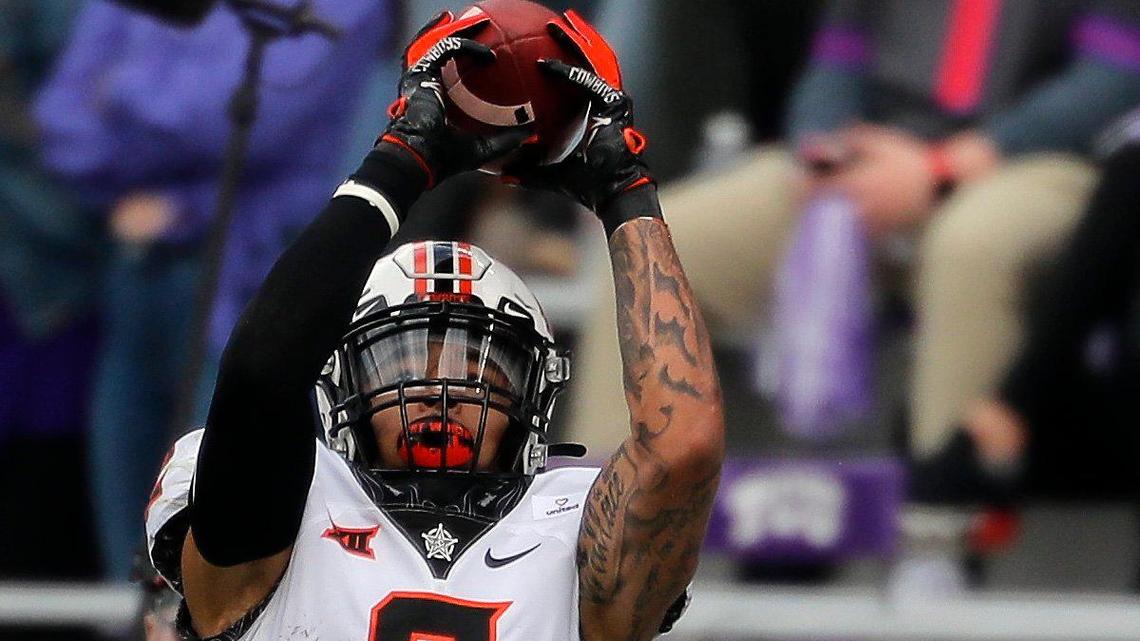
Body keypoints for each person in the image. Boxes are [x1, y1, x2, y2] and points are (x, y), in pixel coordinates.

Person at [145, 10, 724, 641]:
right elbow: (261, 373)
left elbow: (683, 447)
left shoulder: (573, 526)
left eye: (478, 366)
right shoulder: (293, 514)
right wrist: (401, 159)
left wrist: (624, 191)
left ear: (534, 389)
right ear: (341, 380)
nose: (438, 389)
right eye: (403, 362)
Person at [565, 0, 1140, 459]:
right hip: (872, 157)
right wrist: (825, 152)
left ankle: (943, 521)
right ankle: (608, 519)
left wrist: (943, 167)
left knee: (972, 243)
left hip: (1035, 163)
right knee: (652, 243)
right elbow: (836, 62)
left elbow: (1115, 76)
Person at [35, 0, 396, 579]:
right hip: (131, 273)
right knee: (128, 552)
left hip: (250, 284)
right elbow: (61, 121)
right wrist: (162, 140)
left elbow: (243, 122)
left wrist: (118, 92)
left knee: (217, 546)